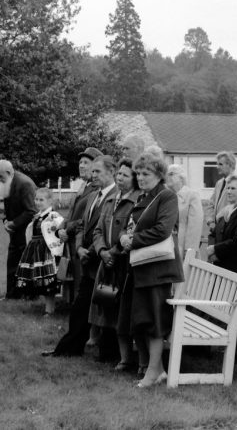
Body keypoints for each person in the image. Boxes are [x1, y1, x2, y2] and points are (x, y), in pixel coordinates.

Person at [43, 155, 118, 358]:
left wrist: (91, 251)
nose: (93, 175)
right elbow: (84, 225)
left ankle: (108, 354)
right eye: (92, 171)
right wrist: (78, 249)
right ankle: (70, 348)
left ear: (112, 172)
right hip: (86, 258)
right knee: (80, 308)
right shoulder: (94, 196)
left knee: (105, 307)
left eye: (97, 171)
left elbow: (106, 230)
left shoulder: (115, 196)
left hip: (102, 260)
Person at [120, 153, 184, 387]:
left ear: (159, 175)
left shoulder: (167, 196)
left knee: (156, 321)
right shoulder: (143, 197)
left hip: (159, 270)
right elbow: (130, 225)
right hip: (142, 267)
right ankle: (157, 370)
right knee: (144, 319)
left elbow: (162, 230)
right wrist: (123, 238)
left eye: (146, 173)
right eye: (138, 173)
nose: (141, 177)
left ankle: (153, 371)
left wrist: (132, 240)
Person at [90, 158, 141, 371]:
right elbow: (98, 230)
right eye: (118, 174)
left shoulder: (137, 201)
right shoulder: (111, 200)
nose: (119, 178)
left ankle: (126, 358)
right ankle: (108, 352)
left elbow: (131, 233)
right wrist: (102, 251)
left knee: (122, 312)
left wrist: (114, 252)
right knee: (105, 306)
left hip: (124, 264)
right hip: (107, 262)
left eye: (125, 175)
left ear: (135, 179)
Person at [57, 147, 103, 300]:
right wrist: (60, 228)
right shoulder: (83, 187)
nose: (81, 166)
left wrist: (67, 229)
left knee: (81, 283)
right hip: (71, 241)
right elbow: (71, 214)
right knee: (74, 280)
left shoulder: (97, 190)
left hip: (82, 242)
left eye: (86, 162)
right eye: (80, 162)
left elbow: (86, 219)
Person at [0, 159, 37, 299]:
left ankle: (31, 295)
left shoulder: (25, 184)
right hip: (15, 231)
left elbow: (31, 211)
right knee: (12, 263)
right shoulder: (8, 182)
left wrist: (13, 223)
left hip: (27, 232)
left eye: (0, 176)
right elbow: (8, 207)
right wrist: (6, 221)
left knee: (27, 264)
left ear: (8, 172)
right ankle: (12, 295)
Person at [16, 188, 64, 315]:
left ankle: (49, 309)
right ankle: (38, 302)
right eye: (36, 199)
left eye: (41, 200)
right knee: (37, 277)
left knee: (48, 279)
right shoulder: (38, 216)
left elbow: (61, 229)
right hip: (35, 250)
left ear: (50, 201)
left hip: (46, 251)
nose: (37, 202)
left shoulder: (53, 216)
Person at [206, 174, 237, 274]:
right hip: (218, 266)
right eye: (227, 188)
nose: (228, 192)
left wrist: (215, 249)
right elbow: (214, 234)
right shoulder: (224, 211)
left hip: (233, 269)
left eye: (233, 188)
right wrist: (211, 252)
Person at [166, 164, 204, 258]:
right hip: (167, 246)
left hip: (183, 247)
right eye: (167, 174)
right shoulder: (166, 196)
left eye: (171, 174)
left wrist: (190, 250)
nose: (168, 177)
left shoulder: (192, 195)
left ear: (181, 178)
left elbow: (195, 225)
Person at [205, 151, 236, 240]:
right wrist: (210, 221)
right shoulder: (219, 183)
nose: (217, 167)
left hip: (228, 232)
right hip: (216, 232)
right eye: (217, 164)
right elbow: (211, 204)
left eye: (220, 164)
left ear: (230, 165)